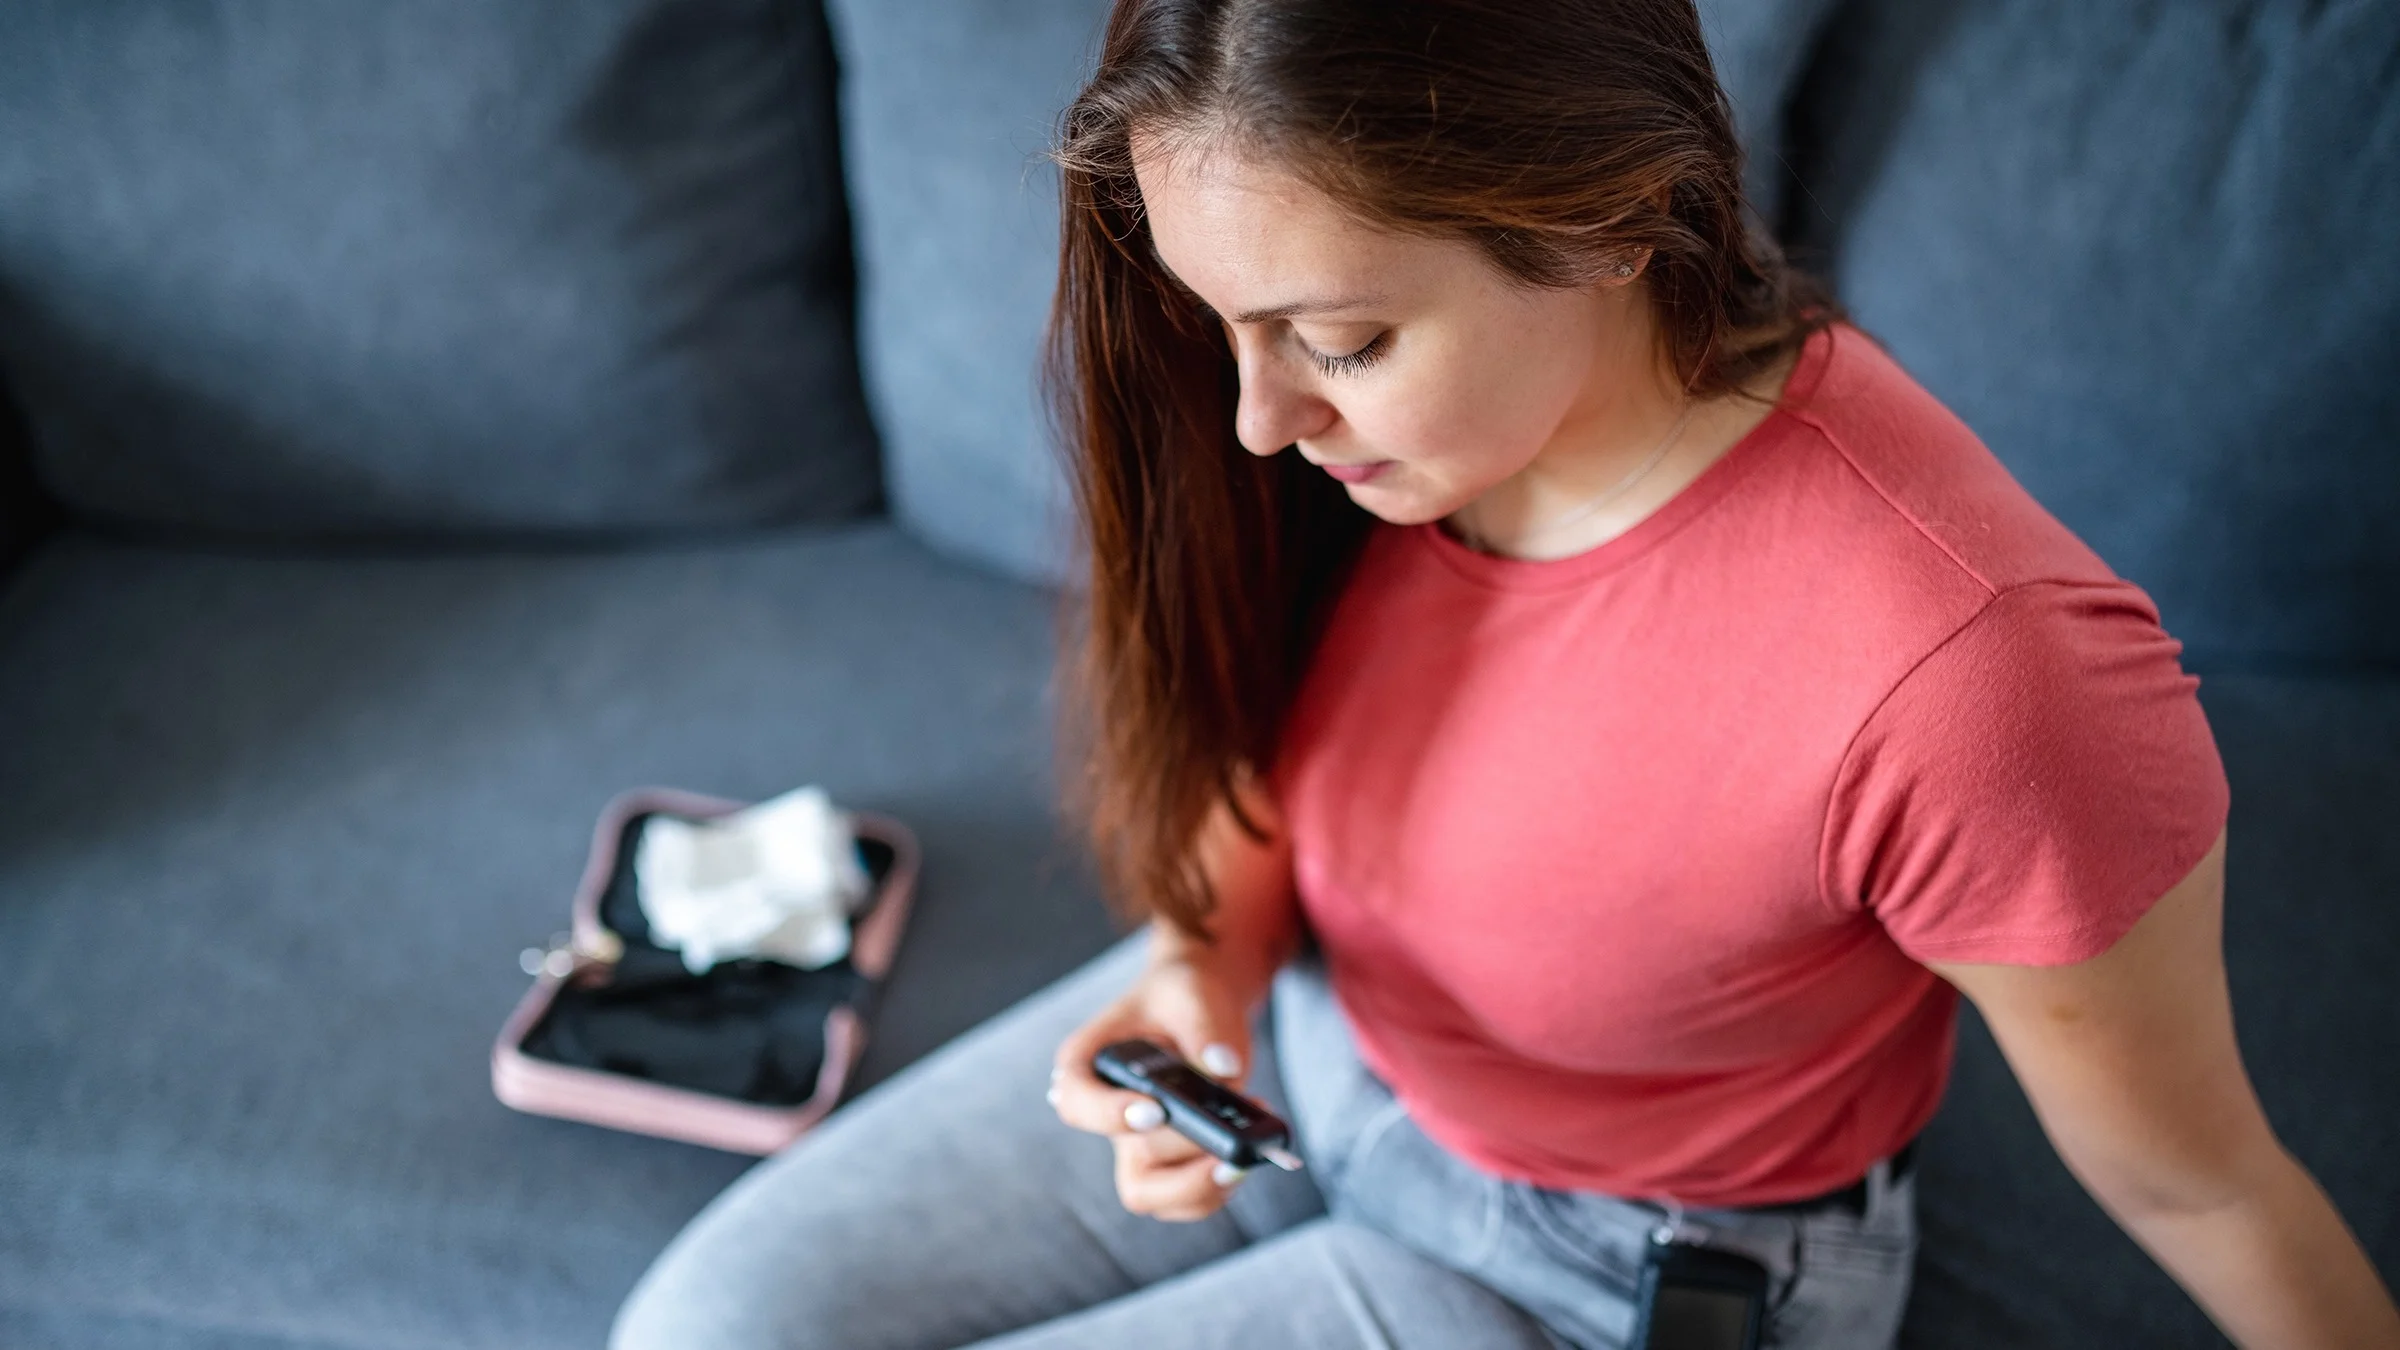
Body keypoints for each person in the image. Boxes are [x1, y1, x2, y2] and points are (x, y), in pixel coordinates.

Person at [612, 2, 2400, 1346]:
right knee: (704, 1327)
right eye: (1220, 328)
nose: (1255, 419)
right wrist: (1196, 971)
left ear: (1613, 217)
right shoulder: (1386, 449)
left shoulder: (1976, 677)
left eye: (1339, 340)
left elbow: (2202, 1182)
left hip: (1614, 1268)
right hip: (1308, 1049)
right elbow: (1270, 742)